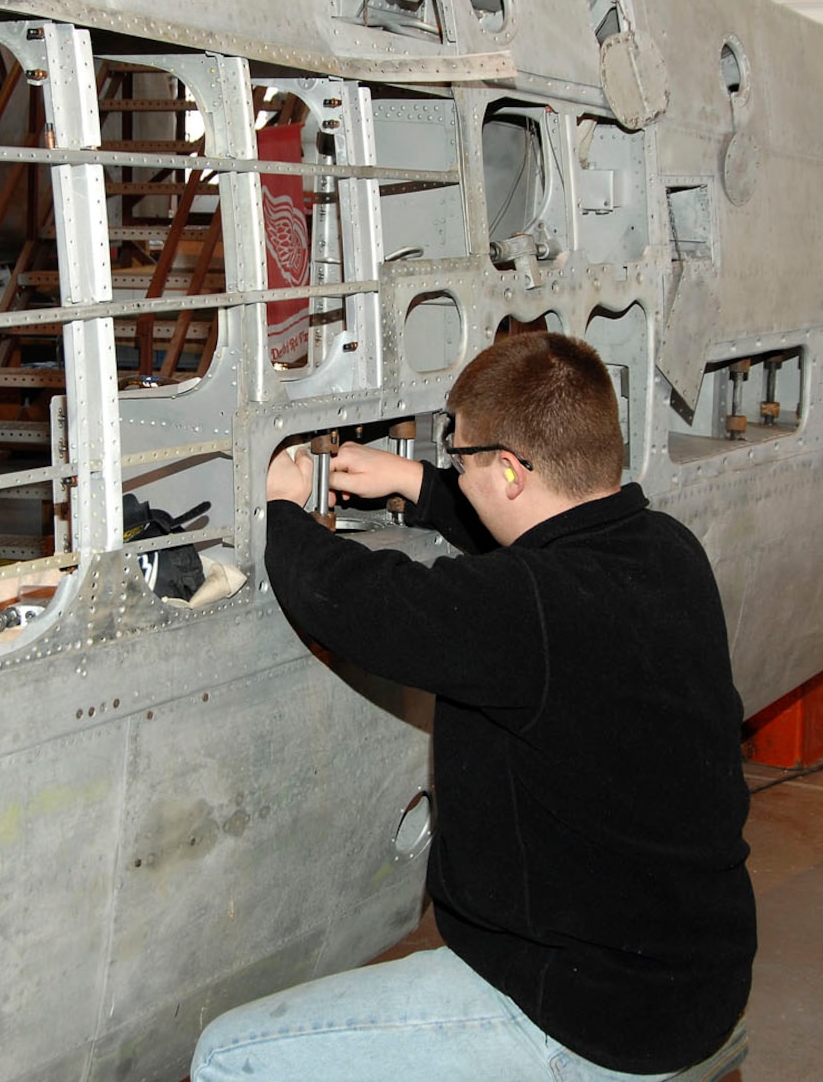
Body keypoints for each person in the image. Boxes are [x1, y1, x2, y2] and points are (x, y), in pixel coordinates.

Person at [191, 332, 755, 1081]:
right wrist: (416, 484)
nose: (454, 471)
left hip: (589, 1017)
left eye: (461, 459)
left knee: (228, 1055)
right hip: (697, 979)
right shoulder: (667, 550)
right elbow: (539, 545)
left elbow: (360, 603)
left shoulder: (529, 609)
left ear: (512, 471)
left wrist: (282, 509)